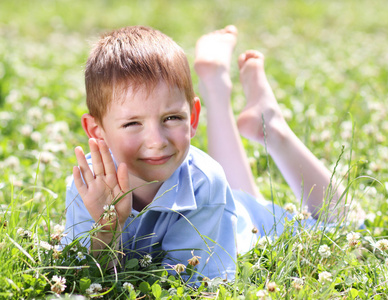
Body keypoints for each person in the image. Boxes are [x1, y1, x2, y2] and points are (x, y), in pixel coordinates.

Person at [63, 25, 345, 283]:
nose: (156, 141)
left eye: (172, 118)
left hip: (246, 222)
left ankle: (273, 127)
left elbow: (189, 284)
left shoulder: (206, 182)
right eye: (132, 123)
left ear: (193, 117)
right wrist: (106, 229)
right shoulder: (88, 187)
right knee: (234, 190)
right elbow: (87, 277)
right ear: (97, 130)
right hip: (221, 197)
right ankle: (219, 85)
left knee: (343, 222)